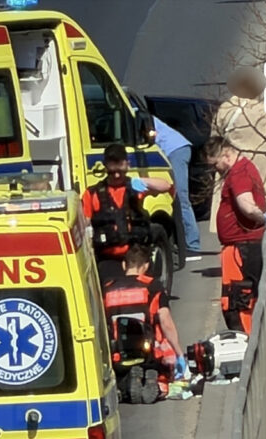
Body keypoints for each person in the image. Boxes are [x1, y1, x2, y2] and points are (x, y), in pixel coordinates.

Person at [102, 243, 186, 403]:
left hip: (117, 354)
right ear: (146, 266)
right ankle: (155, 380)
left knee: (122, 383)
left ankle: (126, 384)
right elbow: (165, 321)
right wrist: (179, 353)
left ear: (124, 264)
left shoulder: (107, 288)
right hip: (148, 352)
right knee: (164, 353)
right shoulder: (152, 286)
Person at [82, 143, 172, 284]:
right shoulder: (92, 193)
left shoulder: (135, 187)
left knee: (143, 294)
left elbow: (166, 186)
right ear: (105, 166)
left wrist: (142, 181)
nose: (117, 175)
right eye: (112, 171)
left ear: (127, 165)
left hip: (135, 257)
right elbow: (85, 225)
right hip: (108, 258)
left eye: (121, 170)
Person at [206, 136, 266, 333]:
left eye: (215, 164)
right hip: (243, 245)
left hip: (242, 248)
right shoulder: (242, 169)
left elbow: (246, 206)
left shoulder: (239, 174)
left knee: (238, 299)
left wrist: (265, 218)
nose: (216, 170)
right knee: (242, 296)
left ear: (226, 155)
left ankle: (246, 337)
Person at [210, 66, 266, 232]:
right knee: (261, 195)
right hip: (259, 158)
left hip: (232, 158)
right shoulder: (261, 109)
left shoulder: (225, 108)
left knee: (231, 197)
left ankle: (233, 228)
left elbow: (215, 135)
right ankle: (262, 227)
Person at [151, 116, 201, 255]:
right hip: (174, 149)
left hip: (176, 150)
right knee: (173, 196)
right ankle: (182, 242)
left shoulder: (135, 114)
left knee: (181, 198)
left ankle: (193, 245)